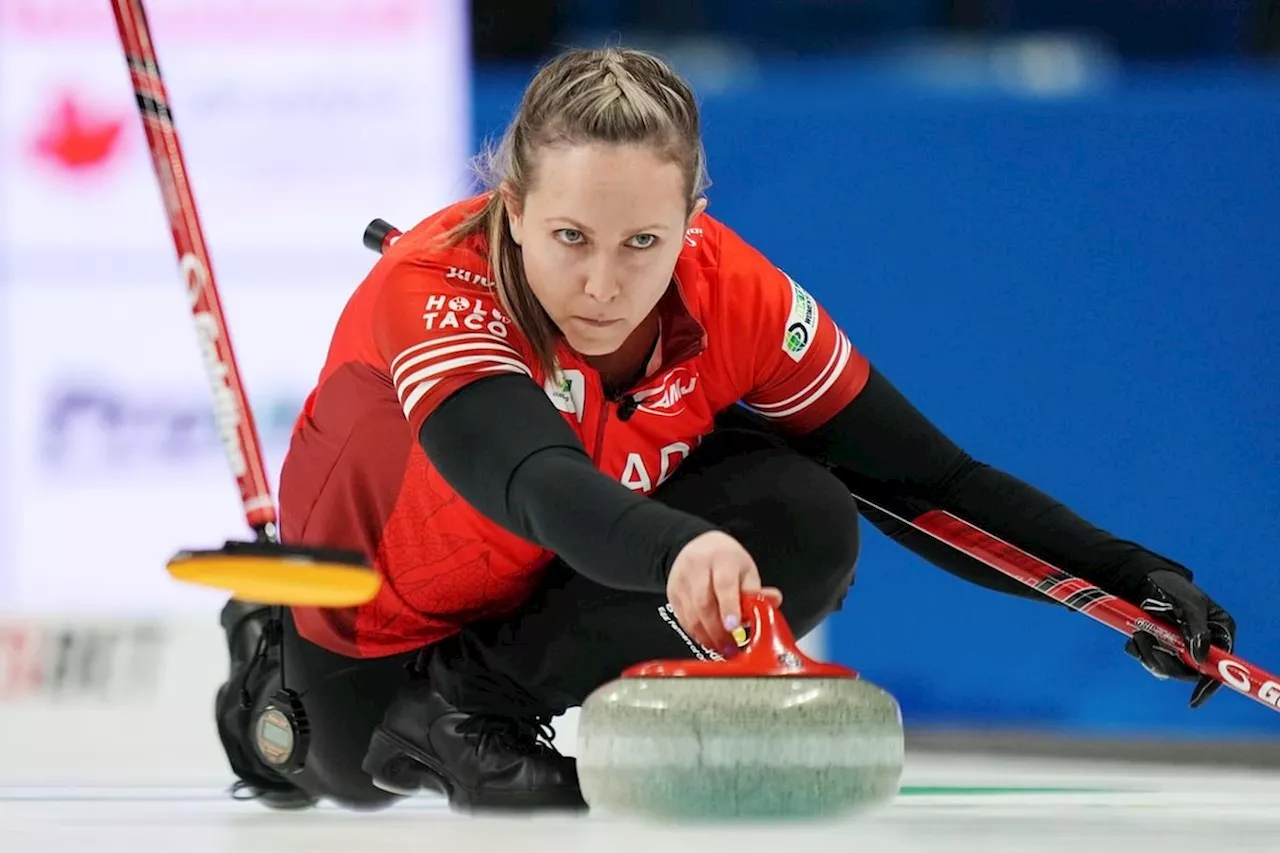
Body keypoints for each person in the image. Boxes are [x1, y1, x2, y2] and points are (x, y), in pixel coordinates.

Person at [213, 46, 1236, 814]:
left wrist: (1126, 579)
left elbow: (929, 483)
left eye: (642, 241)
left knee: (805, 512)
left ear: (692, 217)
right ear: (510, 206)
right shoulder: (436, 289)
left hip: (531, 599)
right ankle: (271, 655)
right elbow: (533, 478)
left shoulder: (731, 292)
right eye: (568, 237)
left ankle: (471, 703)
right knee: (320, 761)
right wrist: (683, 547)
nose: (604, 283)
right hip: (381, 618)